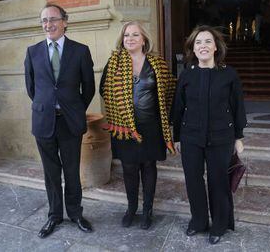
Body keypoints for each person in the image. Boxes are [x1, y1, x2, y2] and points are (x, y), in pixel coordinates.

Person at [24, 3, 95, 238]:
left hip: (69, 122)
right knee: (51, 173)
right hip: (44, 121)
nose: (48, 24)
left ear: (65, 21)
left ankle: (75, 213)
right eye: (44, 20)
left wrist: (72, 109)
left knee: (72, 171)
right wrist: (47, 106)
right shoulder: (32, 52)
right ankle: (54, 215)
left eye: (53, 19)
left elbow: (89, 88)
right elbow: (32, 88)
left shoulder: (80, 51)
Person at [172, 25, 247, 245]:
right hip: (191, 137)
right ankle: (199, 221)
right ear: (192, 49)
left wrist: (238, 137)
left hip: (221, 137)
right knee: (193, 180)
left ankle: (219, 225)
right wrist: (177, 137)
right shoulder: (187, 75)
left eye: (207, 42)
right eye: (198, 42)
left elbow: (237, 107)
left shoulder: (229, 74)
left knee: (218, 181)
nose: (202, 46)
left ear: (215, 47)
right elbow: (178, 108)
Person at [99, 21, 176, 230]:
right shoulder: (114, 62)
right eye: (126, 35)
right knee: (129, 167)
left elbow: (169, 91)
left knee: (149, 166)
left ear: (144, 39)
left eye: (134, 35)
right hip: (124, 128)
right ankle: (131, 208)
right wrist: (121, 110)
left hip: (151, 126)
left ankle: (148, 210)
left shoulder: (157, 64)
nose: (130, 39)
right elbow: (103, 90)